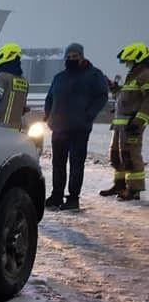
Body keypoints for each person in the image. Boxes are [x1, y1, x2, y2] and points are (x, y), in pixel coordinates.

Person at [42, 43, 108, 210]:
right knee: (58, 163)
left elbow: (102, 96)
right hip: (58, 127)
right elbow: (50, 98)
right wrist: (48, 115)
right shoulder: (59, 77)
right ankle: (56, 195)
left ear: (81, 57)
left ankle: (73, 198)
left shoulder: (93, 75)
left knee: (76, 164)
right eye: (69, 56)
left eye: (75, 56)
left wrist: (88, 115)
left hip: (79, 127)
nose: (71, 59)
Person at [100, 42, 149, 201]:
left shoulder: (145, 74)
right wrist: (114, 89)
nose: (127, 65)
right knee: (117, 155)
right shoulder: (133, 75)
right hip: (121, 126)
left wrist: (139, 121)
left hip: (132, 125)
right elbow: (125, 99)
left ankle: (134, 190)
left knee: (131, 155)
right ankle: (119, 185)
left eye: (129, 61)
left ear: (138, 58)